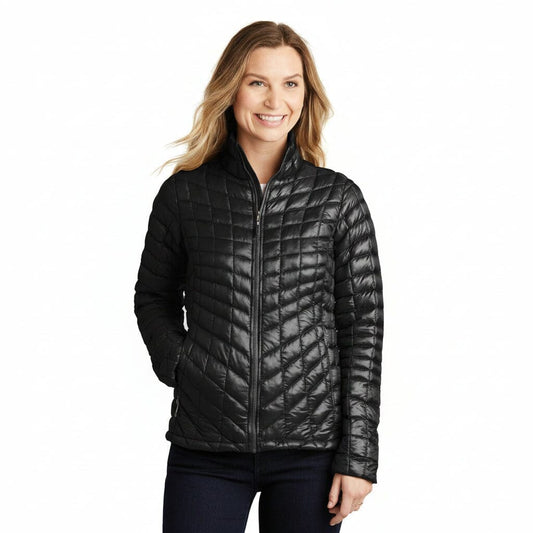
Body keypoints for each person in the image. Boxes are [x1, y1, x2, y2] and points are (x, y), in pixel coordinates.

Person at [134, 20, 384, 533]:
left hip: (311, 451)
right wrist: (182, 365)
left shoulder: (338, 199)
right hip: (206, 446)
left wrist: (358, 456)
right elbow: (153, 295)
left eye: (290, 83)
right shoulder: (184, 194)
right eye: (257, 82)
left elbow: (363, 330)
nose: (275, 100)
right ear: (232, 89)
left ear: (306, 94)